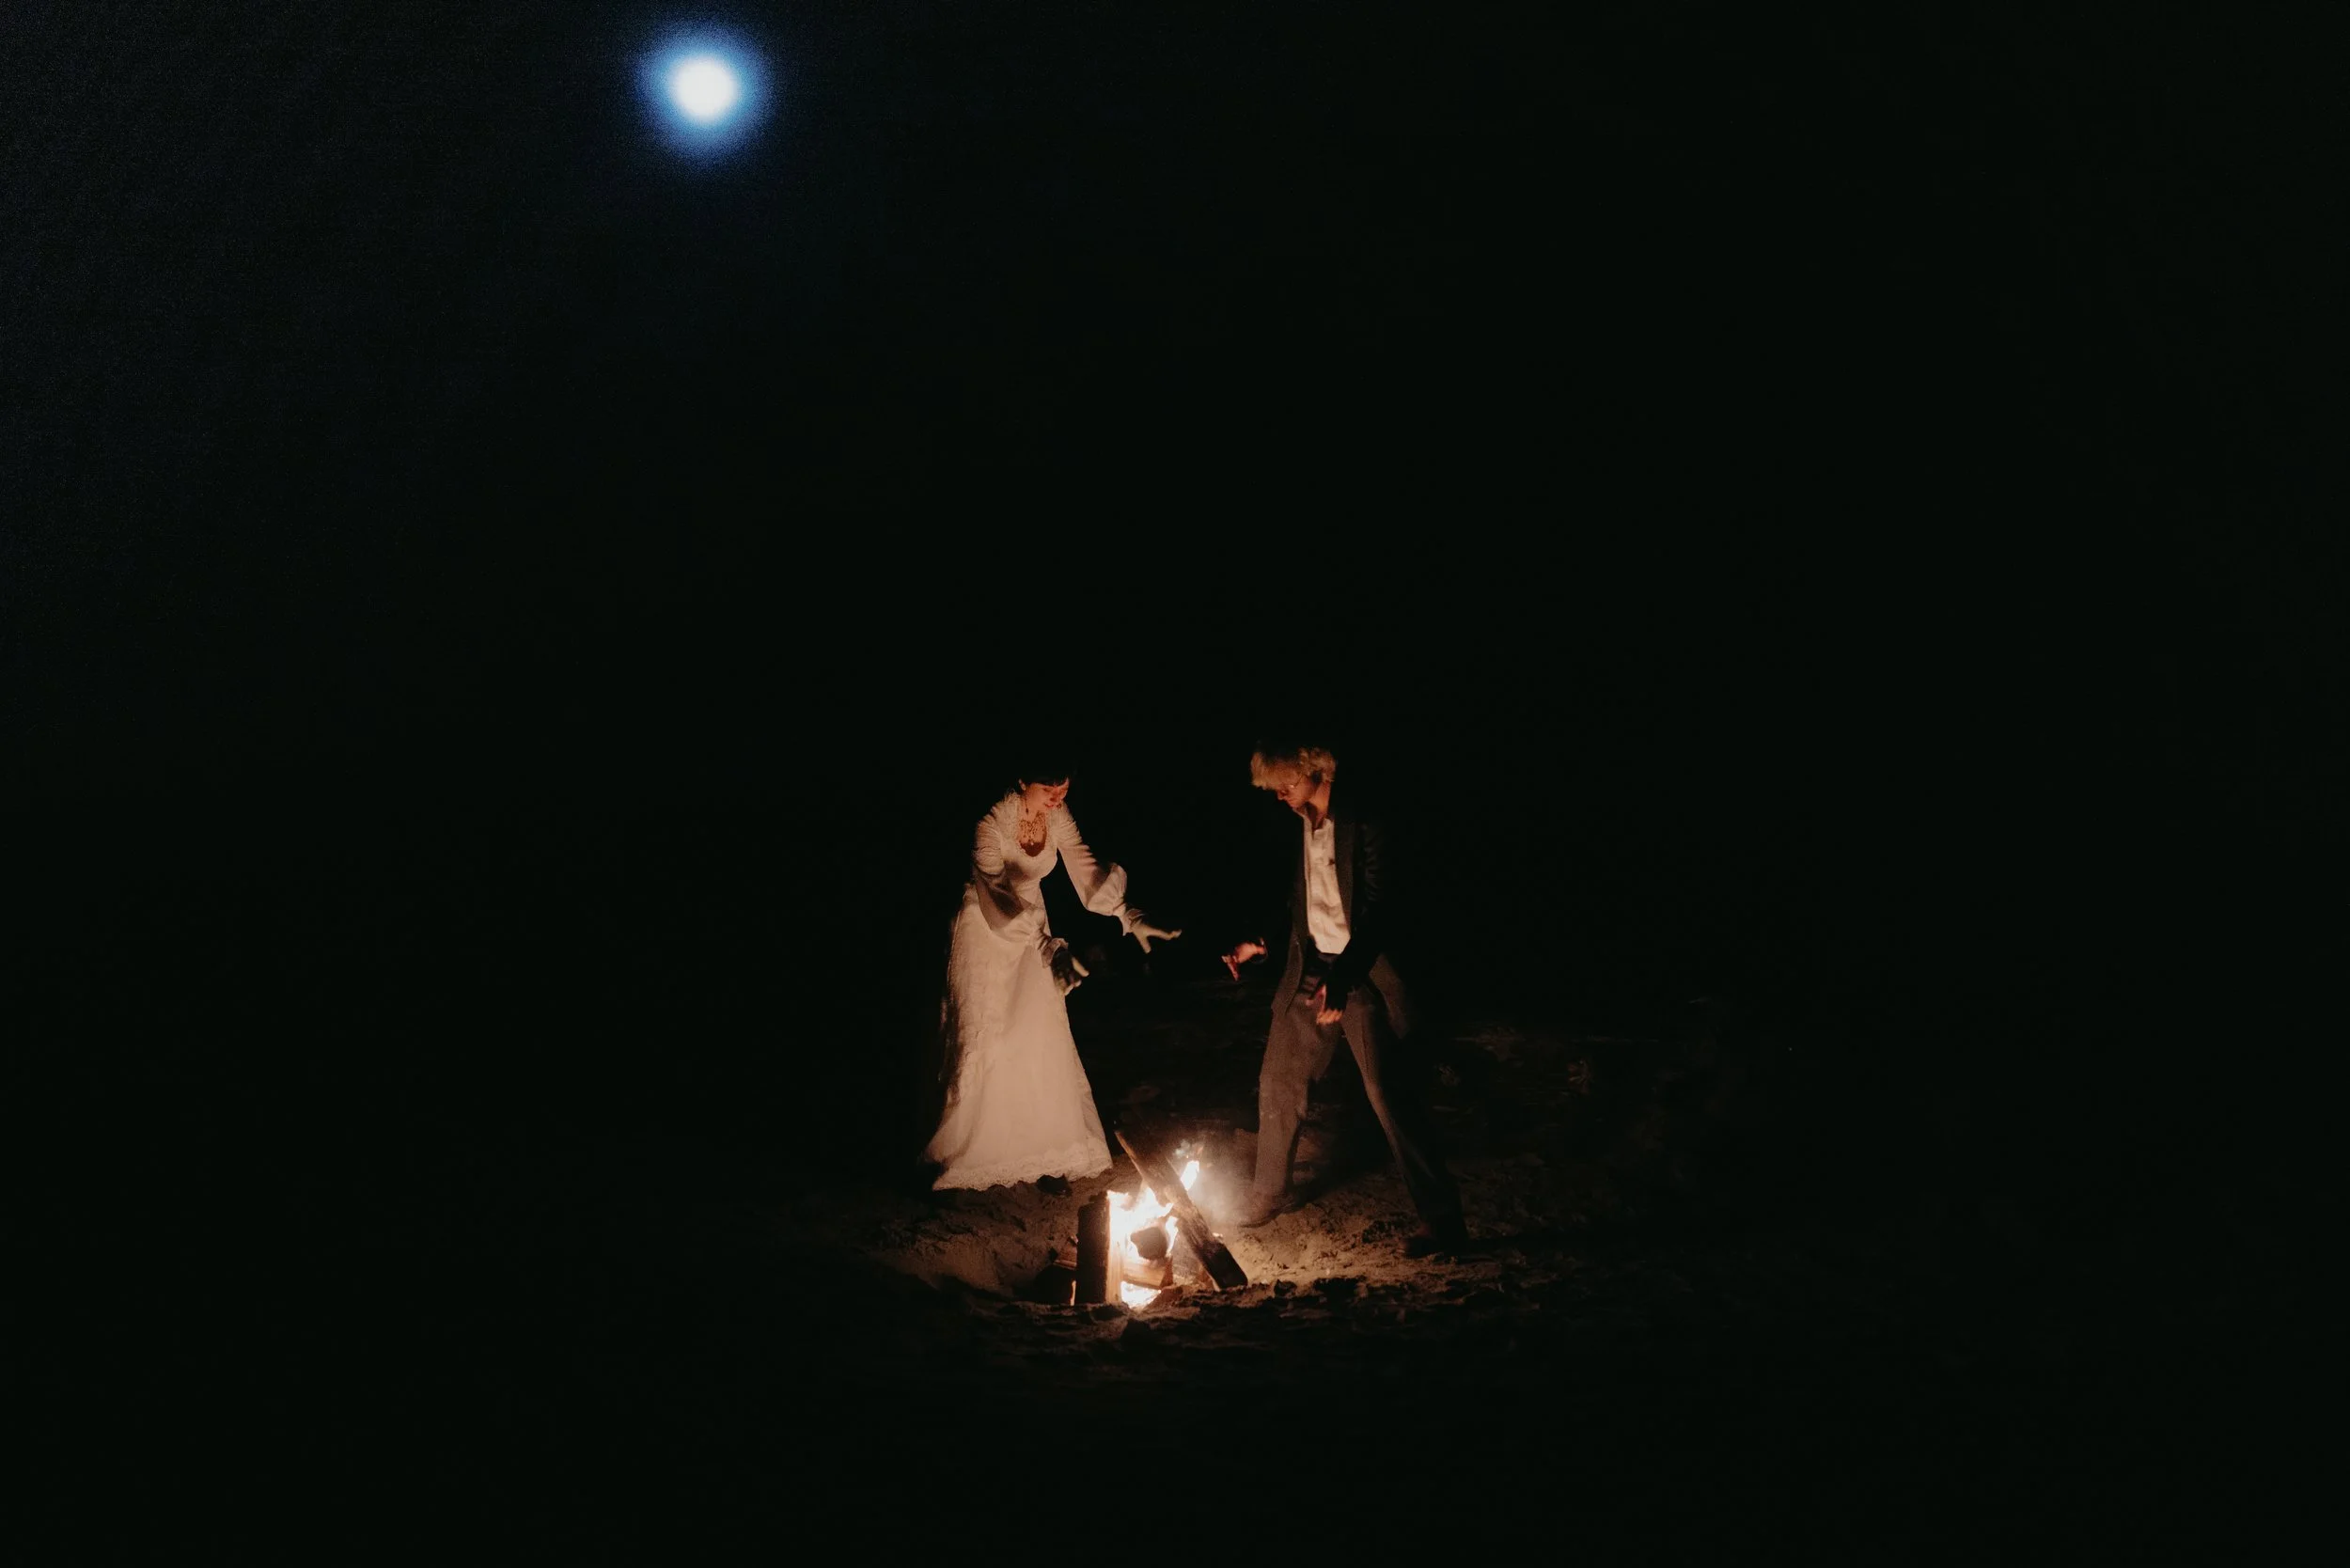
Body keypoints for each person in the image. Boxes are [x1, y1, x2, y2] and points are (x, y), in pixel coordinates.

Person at [1219, 741, 1467, 1257]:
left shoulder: (1366, 819)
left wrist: (1347, 975)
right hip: (1312, 966)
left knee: (1387, 1090)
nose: (1280, 795)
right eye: (1275, 788)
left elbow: (1383, 907)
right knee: (1279, 1077)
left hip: (1364, 971)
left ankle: (1442, 1219)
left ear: (1317, 770)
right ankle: (1270, 1191)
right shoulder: (1299, 822)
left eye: (1287, 783)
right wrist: (1263, 942)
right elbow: (1300, 898)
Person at [922, 763, 1180, 1191]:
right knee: (984, 1037)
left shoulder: (1057, 817)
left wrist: (1129, 916)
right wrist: (1049, 948)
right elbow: (998, 897)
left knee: (1036, 1033)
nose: (1058, 795)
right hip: (987, 926)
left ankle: (1038, 1153)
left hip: (1035, 928)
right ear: (1022, 781)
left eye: (1064, 785)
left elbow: (1086, 870)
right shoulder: (989, 824)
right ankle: (958, 1157)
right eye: (1049, 786)